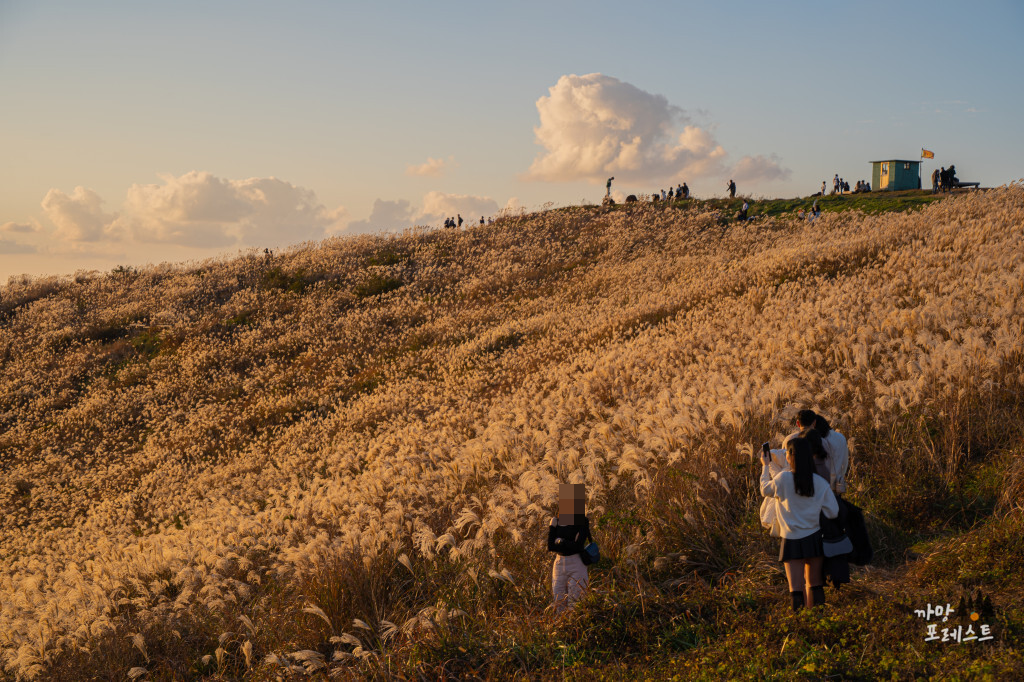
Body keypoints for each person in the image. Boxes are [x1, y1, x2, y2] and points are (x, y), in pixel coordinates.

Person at [761, 437, 839, 611]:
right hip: (815, 538)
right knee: (815, 584)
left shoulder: (782, 479)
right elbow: (833, 512)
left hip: (791, 540)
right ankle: (818, 621)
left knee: (796, 588)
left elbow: (764, 489)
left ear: (789, 456)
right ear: (810, 456)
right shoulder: (820, 483)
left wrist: (765, 466)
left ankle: (801, 625)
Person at [548, 483, 594, 613]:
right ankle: (563, 632)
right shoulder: (557, 521)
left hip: (576, 563)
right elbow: (550, 546)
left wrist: (561, 541)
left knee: (576, 606)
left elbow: (578, 546)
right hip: (559, 564)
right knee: (559, 605)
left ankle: (575, 631)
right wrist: (552, 528)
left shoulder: (582, 521)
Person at [813, 414, 849, 495]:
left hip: (821, 484)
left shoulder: (820, 440)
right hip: (837, 484)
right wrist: (841, 476)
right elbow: (845, 461)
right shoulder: (841, 437)